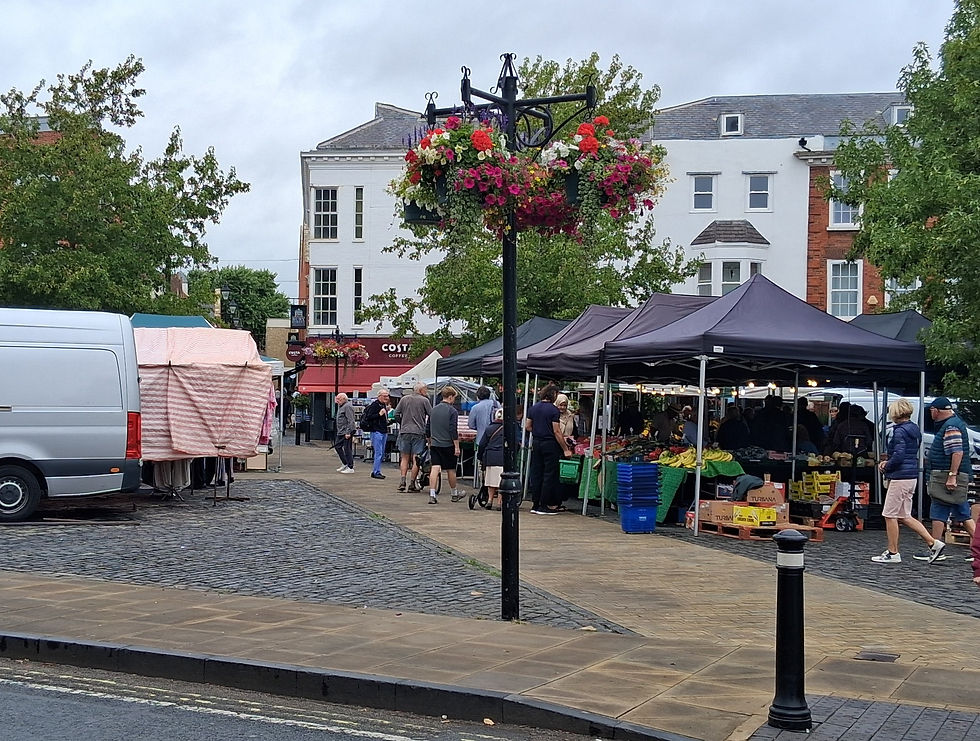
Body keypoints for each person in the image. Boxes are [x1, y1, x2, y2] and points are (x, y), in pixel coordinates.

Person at [871, 398, 945, 564]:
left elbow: (899, 455)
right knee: (904, 515)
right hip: (911, 475)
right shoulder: (914, 429)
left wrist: (886, 465)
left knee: (889, 514)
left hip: (900, 476)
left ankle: (893, 552)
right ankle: (933, 543)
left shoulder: (899, 431)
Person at [913, 396, 977, 561]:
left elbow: (957, 452)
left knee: (940, 510)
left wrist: (952, 476)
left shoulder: (950, 427)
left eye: (931, 410)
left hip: (946, 476)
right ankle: (938, 547)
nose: (930, 413)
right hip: (949, 475)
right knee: (961, 512)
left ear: (936, 410)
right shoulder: (953, 424)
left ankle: (935, 548)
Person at [525, 386, 573, 515]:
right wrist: (565, 449)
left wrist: (538, 430)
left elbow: (527, 426)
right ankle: (543, 504)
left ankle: (535, 503)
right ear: (553, 395)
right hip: (550, 444)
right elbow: (557, 431)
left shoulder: (533, 408)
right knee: (549, 474)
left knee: (536, 473)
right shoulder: (553, 410)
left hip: (537, 442)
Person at [393, 383, 432, 492]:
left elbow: (396, 413)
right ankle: (412, 483)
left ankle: (402, 480)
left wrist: (402, 423)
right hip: (418, 432)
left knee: (404, 457)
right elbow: (431, 414)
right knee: (416, 459)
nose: (426, 391)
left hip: (405, 431)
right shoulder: (425, 401)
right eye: (425, 389)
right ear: (420, 390)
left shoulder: (404, 399)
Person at [428, 386, 462, 505]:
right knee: (451, 470)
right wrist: (456, 446)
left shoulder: (433, 410)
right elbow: (453, 429)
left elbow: (428, 427)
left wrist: (429, 440)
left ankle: (432, 494)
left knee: (435, 468)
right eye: (454, 398)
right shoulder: (452, 411)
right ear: (450, 397)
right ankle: (454, 493)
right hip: (448, 444)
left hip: (435, 443)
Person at [476, 407, 505, 510]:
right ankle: (499, 502)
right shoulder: (508, 429)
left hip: (490, 456)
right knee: (501, 481)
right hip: (502, 457)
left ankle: (490, 500)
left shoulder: (489, 428)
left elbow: (482, 444)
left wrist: (480, 456)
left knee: (490, 481)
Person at [362, 389, 392, 480]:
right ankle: (376, 472)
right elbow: (369, 417)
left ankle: (377, 470)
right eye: (385, 396)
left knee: (381, 452)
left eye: (387, 396)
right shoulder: (375, 405)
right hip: (376, 431)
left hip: (383, 431)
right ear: (379, 396)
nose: (387, 398)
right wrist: (379, 414)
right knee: (378, 452)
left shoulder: (382, 405)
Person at [467, 386, 499, 452]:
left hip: (481, 438)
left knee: (481, 458)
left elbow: (471, 425)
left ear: (478, 396)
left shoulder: (475, 408)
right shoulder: (497, 404)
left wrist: (479, 427)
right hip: (496, 438)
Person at [333, 393, 356, 473]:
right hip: (341, 431)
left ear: (343, 399)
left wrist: (348, 432)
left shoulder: (348, 406)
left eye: (338, 399)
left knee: (347, 448)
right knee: (337, 446)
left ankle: (350, 467)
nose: (337, 401)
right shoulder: (341, 406)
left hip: (346, 431)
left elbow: (351, 420)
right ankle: (345, 463)